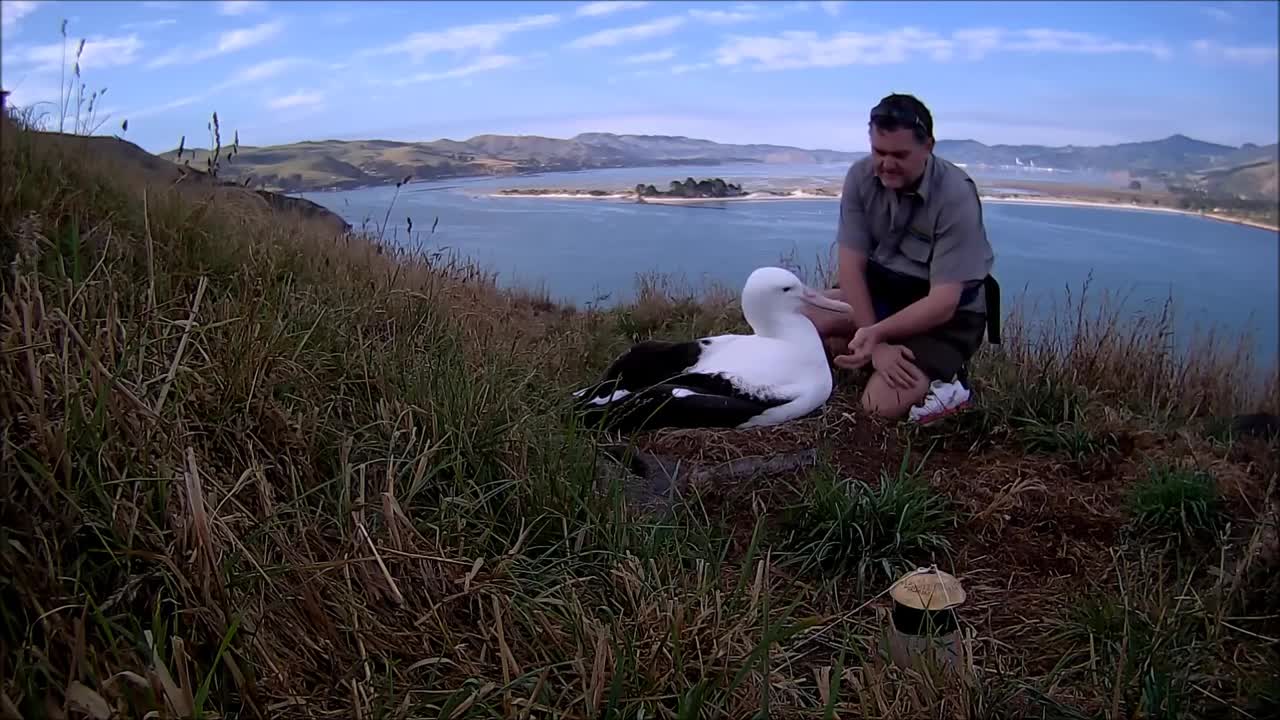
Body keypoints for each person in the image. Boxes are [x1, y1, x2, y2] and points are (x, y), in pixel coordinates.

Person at [804, 93, 1000, 422]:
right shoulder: (860, 177)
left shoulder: (955, 195)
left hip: (942, 321)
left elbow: (944, 303)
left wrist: (875, 336)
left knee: (877, 406)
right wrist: (876, 342)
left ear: (928, 147)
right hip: (882, 299)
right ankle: (865, 352)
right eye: (879, 152)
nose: (886, 164)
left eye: (900, 154)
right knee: (797, 313)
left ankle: (952, 385)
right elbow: (851, 269)